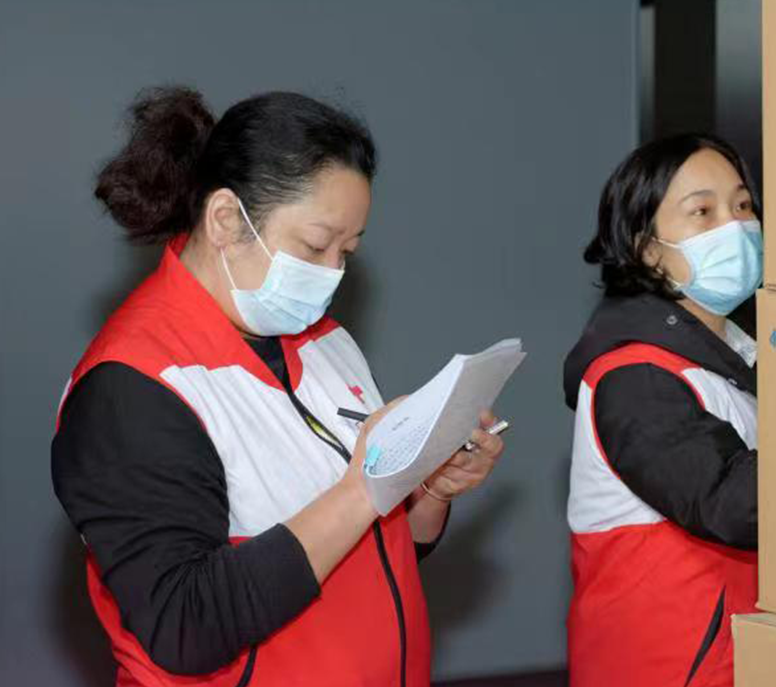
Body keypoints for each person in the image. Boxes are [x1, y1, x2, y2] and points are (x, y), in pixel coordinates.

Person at [51, 87, 504, 687]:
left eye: (347, 251)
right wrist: (362, 490)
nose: (333, 273)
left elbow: (379, 551)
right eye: (316, 245)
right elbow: (186, 626)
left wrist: (427, 491)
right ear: (225, 220)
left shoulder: (324, 340)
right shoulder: (130, 387)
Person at [563, 134, 761, 687]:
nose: (734, 226)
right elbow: (732, 504)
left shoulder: (740, 357)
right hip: (669, 668)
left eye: (743, 205)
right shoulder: (635, 378)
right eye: (702, 212)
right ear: (647, 249)